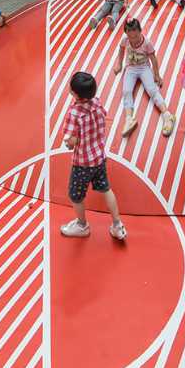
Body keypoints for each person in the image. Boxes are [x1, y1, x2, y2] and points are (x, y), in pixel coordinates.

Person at [60, 71, 127, 241]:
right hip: (99, 157)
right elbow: (103, 116)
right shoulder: (97, 103)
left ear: (74, 93)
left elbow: (72, 141)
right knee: (106, 189)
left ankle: (82, 225)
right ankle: (117, 225)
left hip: (82, 163)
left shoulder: (74, 113)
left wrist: (68, 141)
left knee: (75, 195)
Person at [113, 18, 176, 137]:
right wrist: (119, 64)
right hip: (130, 68)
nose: (133, 40)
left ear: (140, 31)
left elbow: (153, 59)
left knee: (152, 90)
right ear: (126, 34)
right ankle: (129, 119)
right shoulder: (125, 40)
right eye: (130, 37)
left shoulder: (146, 42)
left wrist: (157, 75)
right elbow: (121, 50)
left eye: (136, 36)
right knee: (126, 91)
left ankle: (167, 115)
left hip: (144, 68)